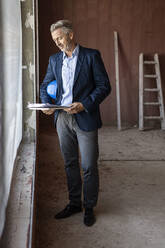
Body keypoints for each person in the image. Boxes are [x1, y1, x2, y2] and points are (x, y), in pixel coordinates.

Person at [40, 20, 111, 226]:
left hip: (85, 116)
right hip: (62, 118)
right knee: (70, 162)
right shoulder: (54, 60)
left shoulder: (91, 56)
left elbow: (104, 86)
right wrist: (47, 103)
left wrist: (84, 104)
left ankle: (89, 207)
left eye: (60, 38)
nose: (57, 43)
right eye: (55, 40)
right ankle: (74, 203)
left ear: (70, 35)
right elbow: (45, 85)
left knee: (88, 165)